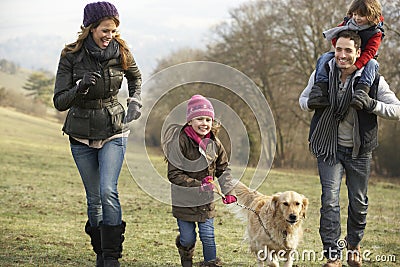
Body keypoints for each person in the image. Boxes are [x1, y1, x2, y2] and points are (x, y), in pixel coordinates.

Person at [299, 30, 400, 267]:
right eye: (338, 50)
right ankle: (332, 256)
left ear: (358, 52)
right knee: (330, 201)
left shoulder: (373, 79)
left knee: (358, 201)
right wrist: (311, 102)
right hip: (328, 148)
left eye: (347, 51)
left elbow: (397, 110)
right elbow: (302, 101)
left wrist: (371, 104)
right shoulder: (322, 72)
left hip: (359, 151)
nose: (342, 55)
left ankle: (353, 248)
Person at [53, 2, 142, 266]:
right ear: (90, 28)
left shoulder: (122, 51)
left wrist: (135, 102)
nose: (109, 36)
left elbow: (136, 79)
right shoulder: (71, 56)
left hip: (114, 129)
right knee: (94, 198)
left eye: (113, 31)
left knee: (107, 191)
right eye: (105, 30)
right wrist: (79, 87)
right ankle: (101, 252)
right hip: (80, 133)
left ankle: (112, 256)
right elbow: (59, 101)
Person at [162, 95, 237, 267]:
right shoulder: (180, 142)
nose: (205, 123)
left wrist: (229, 192)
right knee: (188, 238)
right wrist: (199, 186)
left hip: (206, 202)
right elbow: (174, 174)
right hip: (184, 201)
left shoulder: (215, 144)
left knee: (208, 236)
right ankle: (185, 252)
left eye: (208, 119)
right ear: (189, 121)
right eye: (200, 119)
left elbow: (223, 170)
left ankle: (211, 264)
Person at [308, 0, 384, 110]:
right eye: (355, 14)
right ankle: (320, 89)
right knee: (324, 58)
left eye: (361, 15)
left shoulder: (375, 32)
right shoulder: (348, 23)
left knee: (372, 64)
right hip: (347, 55)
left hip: (364, 58)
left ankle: (361, 91)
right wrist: (341, 49)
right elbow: (335, 36)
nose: (357, 18)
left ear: (371, 15)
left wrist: (355, 66)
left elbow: (370, 52)